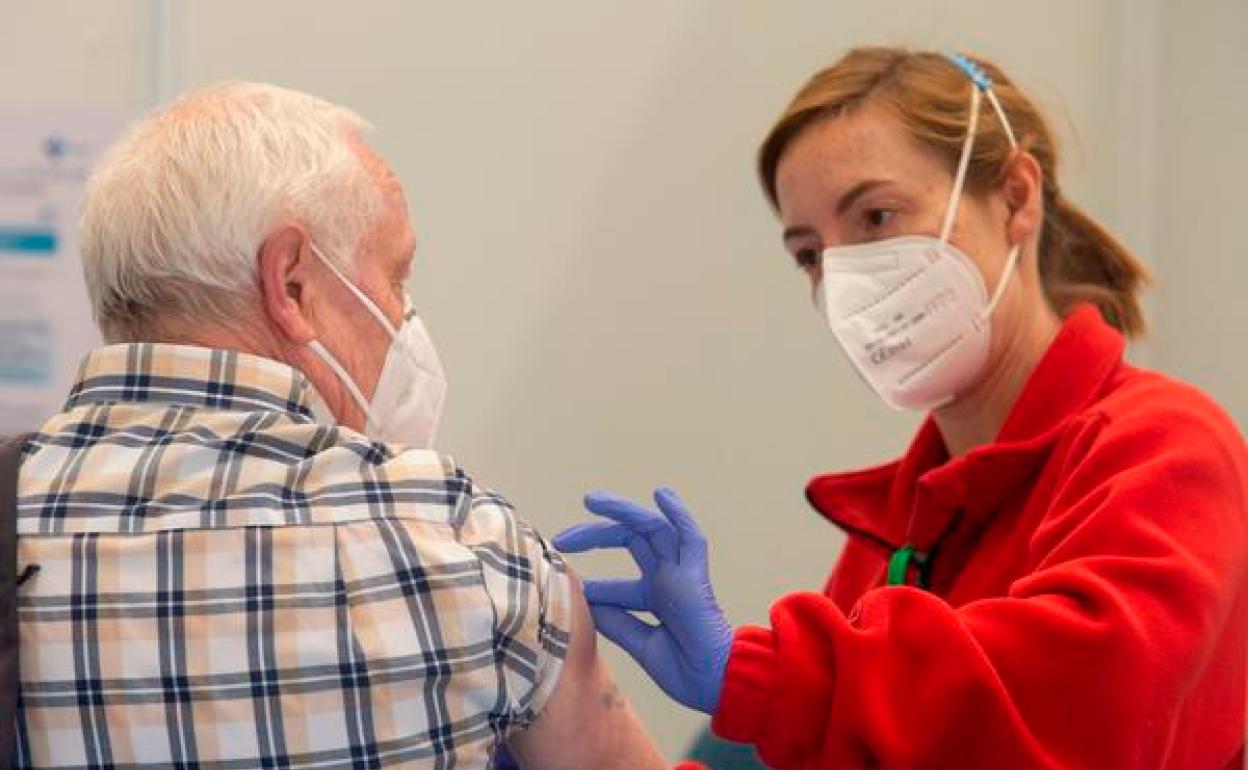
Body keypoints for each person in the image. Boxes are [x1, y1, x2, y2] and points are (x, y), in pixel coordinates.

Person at [556, 48, 1248, 770]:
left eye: (876, 217)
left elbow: (1078, 708)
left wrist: (763, 674)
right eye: (809, 254)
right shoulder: (901, 533)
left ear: (1017, 198)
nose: (842, 279)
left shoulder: (1167, 450)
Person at [11, 81, 667, 770]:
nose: (404, 317)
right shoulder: (466, 542)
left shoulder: (12, 514)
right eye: (397, 276)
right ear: (291, 284)